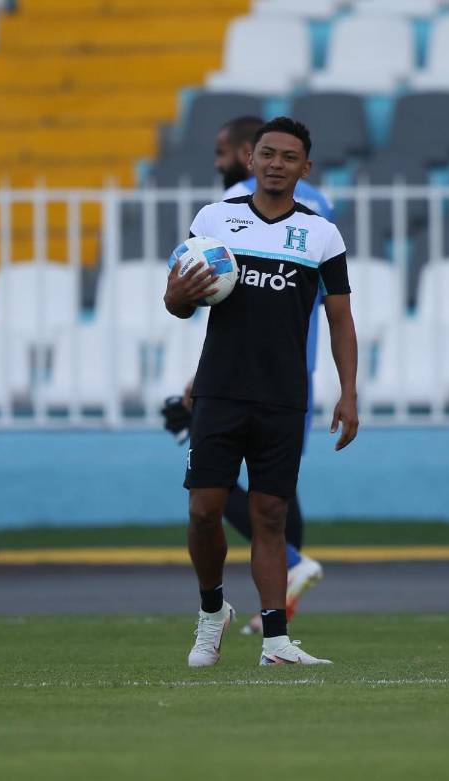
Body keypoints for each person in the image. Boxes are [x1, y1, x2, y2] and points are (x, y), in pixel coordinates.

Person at [164, 117, 359, 667]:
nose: (276, 164)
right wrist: (178, 293)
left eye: (288, 157)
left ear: (305, 168)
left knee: (271, 516)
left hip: (283, 394)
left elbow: (341, 319)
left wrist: (349, 393)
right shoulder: (214, 220)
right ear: (251, 161)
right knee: (205, 510)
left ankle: (276, 642)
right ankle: (212, 614)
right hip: (219, 390)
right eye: (267, 154)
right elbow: (178, 301)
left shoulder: (321, 234)